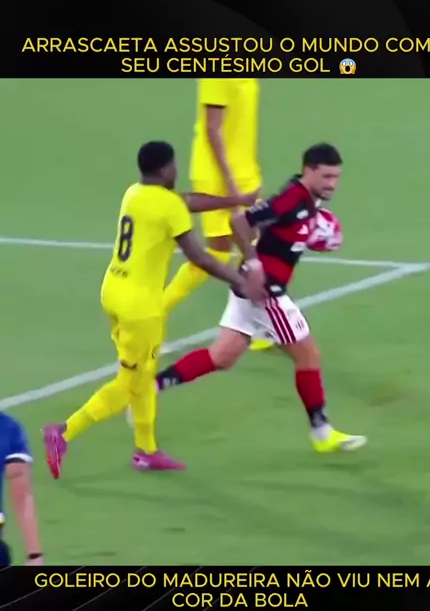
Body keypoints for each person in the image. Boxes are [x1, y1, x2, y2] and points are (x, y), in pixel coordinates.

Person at [42, 141, 266, 477]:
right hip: (140, 308)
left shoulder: (134, 193)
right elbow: (199, 257)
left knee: (144, 373)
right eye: (173, 165)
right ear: (165, 169)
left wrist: (234, 200)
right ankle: (64, 432)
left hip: (113, 292)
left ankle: (146, 451)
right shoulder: (168, 206)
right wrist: (239, 280)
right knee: (132, 382)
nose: (176, 170)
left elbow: (185, 201)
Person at [154, 144, 367, 454]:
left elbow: (276, 228)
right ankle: (322, 433)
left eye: (336, 177)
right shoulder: (291, 198)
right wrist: (253, 264)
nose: (332, 183)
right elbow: (240, 222)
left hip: (250, 290)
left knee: (222, 357)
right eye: (326, 176)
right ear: (308, 171)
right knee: (308, 355)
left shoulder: (308, 200)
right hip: (266, 293)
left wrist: (307, 234)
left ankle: (150, 388)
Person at [162, 78, 274, 352]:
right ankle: (156, 313)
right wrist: (231, 185)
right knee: (221, 252)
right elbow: (212, 130)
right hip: (218, 177)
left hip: (244, 171)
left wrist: (249, 172)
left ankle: (254, 323)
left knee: (254, 246)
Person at [0, 412, 43, 566]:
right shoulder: (8, 428)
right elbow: (23, 497)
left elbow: (22, 495)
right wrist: (34, 555)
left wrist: (34, 555)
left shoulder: (8, 429)